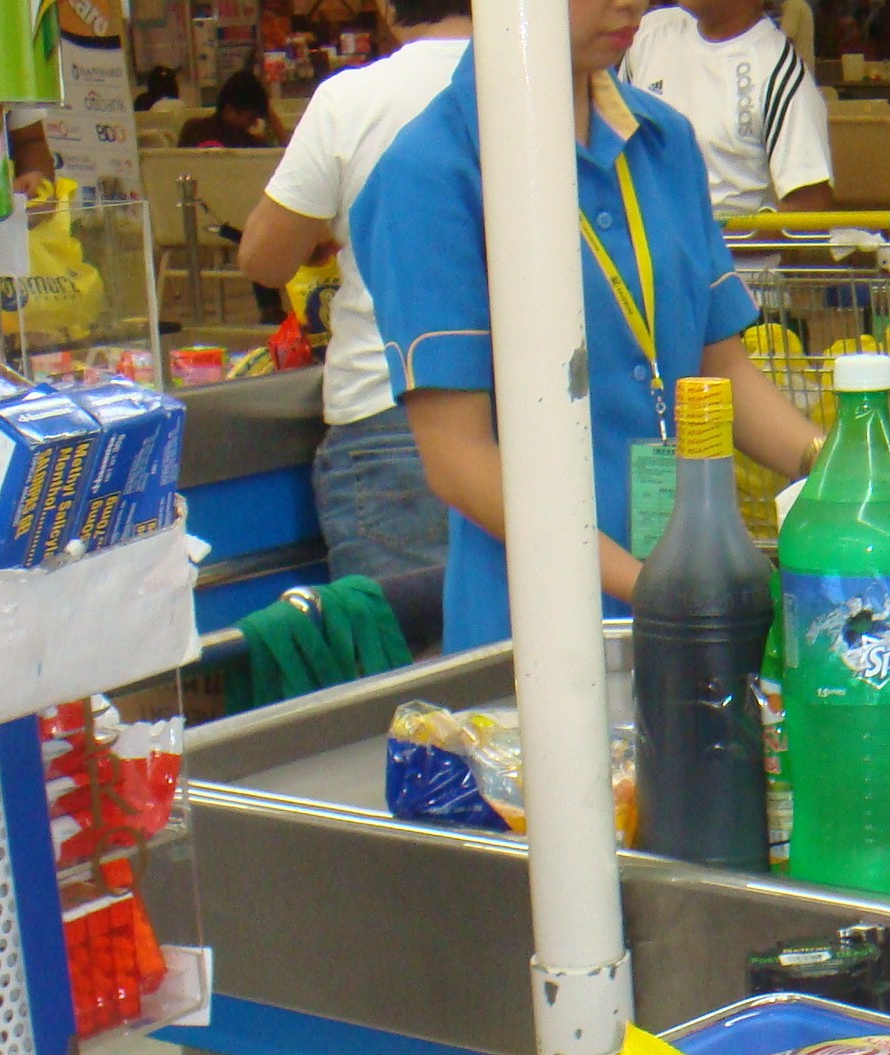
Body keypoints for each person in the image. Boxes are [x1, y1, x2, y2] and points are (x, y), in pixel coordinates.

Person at [351, 0, 827, 647]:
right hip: (530, 633)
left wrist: (838, 465)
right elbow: (458, 457)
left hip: (690, 602)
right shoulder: (430, 172)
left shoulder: (663, 141)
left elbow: (719, 370)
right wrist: (653, 590)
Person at [239, 0, 469, 585]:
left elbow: (264, 259)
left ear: (388, 8)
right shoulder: (556, 88)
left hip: (388, 413)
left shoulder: (352, 99)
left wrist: (335, 225)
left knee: (412, 643)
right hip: (542, 415)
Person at [621, 0, 834, 217]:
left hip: (726, 235)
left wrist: (708, 237)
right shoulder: (649, 32)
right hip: (633, 231)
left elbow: (810, 205)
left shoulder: (781, 74)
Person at [180, 67, 289, 147]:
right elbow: (286, 157)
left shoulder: (191, 130)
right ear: (229, 111)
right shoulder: (247, 144)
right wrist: (273, 120)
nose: (255, 123)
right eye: (252, 117)